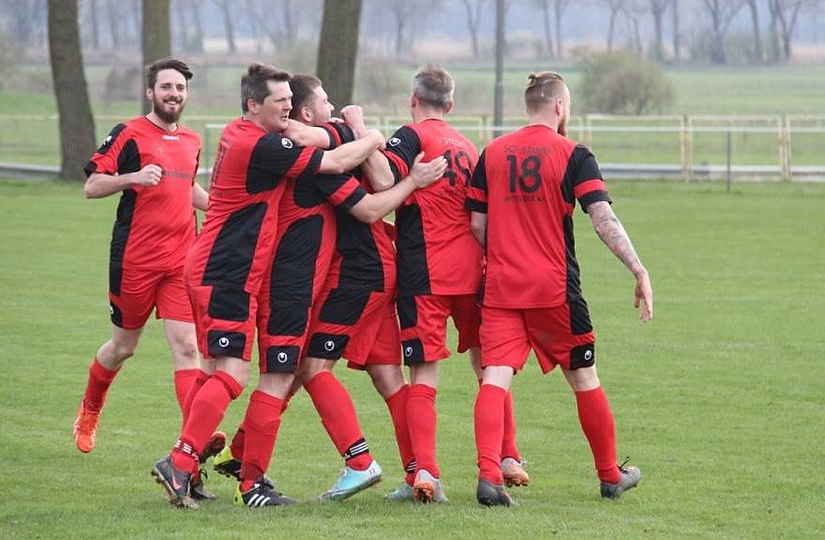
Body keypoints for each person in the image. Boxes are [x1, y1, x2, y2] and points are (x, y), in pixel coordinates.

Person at [149, 63, 394, 510]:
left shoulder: (248, 134)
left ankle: (205, 469)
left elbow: (324, 145)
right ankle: (203, 468)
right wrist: (370, 134)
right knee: (248, 375)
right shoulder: (264, 145)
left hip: (230, 270)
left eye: (289, 101)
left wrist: (333, 130)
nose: (286, 108)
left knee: (219, 372)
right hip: (238, 272)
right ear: (253, 105)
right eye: (280, 101)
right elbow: (356, 178)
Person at [215, 74, 447, 507]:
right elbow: (322, 142)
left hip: (358, 275)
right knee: (387, 377)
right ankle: (421, 473)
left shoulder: (323, 158)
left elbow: (371, 206)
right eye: (325, 101)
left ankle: (359, 461)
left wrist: (406, 174)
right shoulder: (335, 140)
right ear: (308, 112)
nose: (334, 107)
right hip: (380, 271)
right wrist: (364, 133)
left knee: (309, 368)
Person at [465, 71, 653, 506]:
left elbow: (477, 224)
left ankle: (489, 476)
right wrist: (638, 268)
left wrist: (507, 253)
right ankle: (610, 475)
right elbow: (602, 219)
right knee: (584, 377)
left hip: (501, 288)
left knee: (494, 377)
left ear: (528, 105)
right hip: (554, 290)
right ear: (560, 106)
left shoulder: (492, 153)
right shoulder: (575, 154)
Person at [373, 63, 526, 503]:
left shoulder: (411, 136)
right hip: (473, 271)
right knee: (489, 367)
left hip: (425, 273)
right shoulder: (468, 146)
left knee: (423, 373)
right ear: (451, 104)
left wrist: (365, 137)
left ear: (413, 100)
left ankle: (425, 472)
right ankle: (508, 457)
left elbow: (383, 179)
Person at [72, 58, 224, 484]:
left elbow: (185, 187)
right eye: (167, 87)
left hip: (181, 260)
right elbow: (91, 186)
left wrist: (222, 210)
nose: (174, 94)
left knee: (188, 348)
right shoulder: (128, 133)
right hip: (135, 260)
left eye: (180, 88)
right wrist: (133, 177)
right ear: (150, 92)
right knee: (123, 347)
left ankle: (191, 442)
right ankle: (90, 409)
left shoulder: (192, 140)